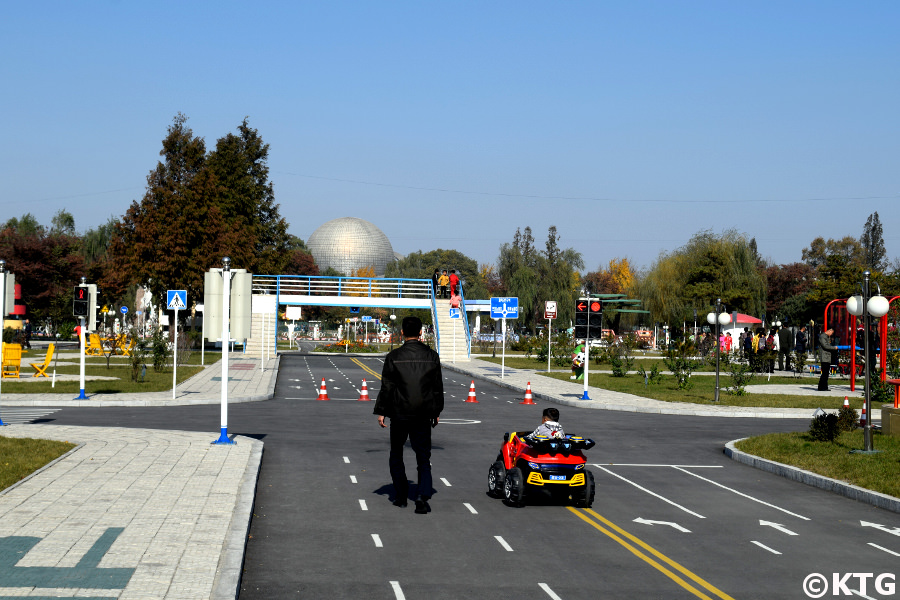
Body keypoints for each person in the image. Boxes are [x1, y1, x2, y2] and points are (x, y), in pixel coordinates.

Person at [374, 316, 444, 514]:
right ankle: (422, 496)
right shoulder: (432, 356)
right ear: (421, 332)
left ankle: (401, 496)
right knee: (423, 456)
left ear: (402, 332)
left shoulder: (394, 356)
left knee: (396, 454)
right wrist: (436, 411)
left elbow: (387, 387)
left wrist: (381, 411)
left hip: (399, 413)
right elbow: (437, 388)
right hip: (422, 414)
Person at [817, 327, 837, 391]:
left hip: (827, 357)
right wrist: (834, 348)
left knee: (826, 373)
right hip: (824, 357)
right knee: (825, 373)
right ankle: (822, 387)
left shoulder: (826, 337)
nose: (831, 334)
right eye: (831, 333)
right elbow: (825, 346)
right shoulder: (823, 337)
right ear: (829, 331)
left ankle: (824, 386)